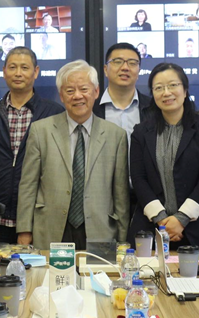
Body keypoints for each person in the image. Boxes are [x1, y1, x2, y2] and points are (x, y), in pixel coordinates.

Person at [17, 60, 130, 250]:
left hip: (101, 230)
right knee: (51, 270)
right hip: (51, 228)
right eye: (70, 91)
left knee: (98, 271)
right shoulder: (41, 130)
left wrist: (122, 238)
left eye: (84, 89)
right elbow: (28, 184)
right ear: (61, 96)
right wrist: (24, 230)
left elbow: (120, 194)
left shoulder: (115, 135)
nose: (77, 96)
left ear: (96, 91)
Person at [127, 63, 199, 261]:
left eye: (173, 85)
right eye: (159, 88)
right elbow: (139, 178)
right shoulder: (141, 132)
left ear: (185, 90)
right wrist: (162, 220)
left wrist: (181, 219)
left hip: (195, 228)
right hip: (150, 228)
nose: (166, 92)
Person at [0, 47, 64, 243]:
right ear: (4, 71)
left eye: (24, 67)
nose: (18, 73)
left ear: (36, 72)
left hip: (37, 216)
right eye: (12, 67)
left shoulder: (54, 113)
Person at [93, 43, 152, 143]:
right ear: (106, 70)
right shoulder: (91, 108)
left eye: (132, 63)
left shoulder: (153, 108)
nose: (125, 68)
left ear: (139, 71)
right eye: (118, 62)